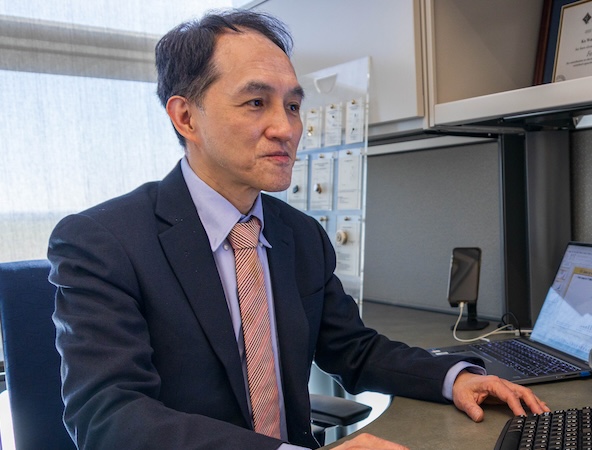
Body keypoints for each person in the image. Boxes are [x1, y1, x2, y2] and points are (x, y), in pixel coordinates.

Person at [48, 9, 547, 450]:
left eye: (291, 105)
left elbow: (352, 348)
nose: (287, 128)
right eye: (255, 103)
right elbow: (109, 417)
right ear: (185, 117)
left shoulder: (299, 235)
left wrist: (452, 377)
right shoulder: (103, 242)